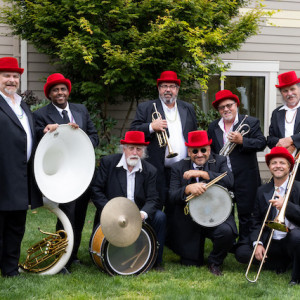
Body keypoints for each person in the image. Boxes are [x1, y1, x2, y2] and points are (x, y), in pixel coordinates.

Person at [34, 73, 99, 268]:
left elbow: (93, 137)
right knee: (66, 218)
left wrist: (80, 136)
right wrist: (45, 131)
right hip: (63, 174)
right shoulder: (40, 115)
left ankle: (73, 255)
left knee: (79, 216)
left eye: (63, 89)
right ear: (49, 94)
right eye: (55, 90)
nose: (60, 93)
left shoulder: (80, 110)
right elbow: (37, 139)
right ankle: (61, 258)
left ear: (68, 92)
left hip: (81, 172)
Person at [91, 131, 166, 270]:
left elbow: (153, 198)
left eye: (139, 149)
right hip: (112, 213)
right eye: (131, 148)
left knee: (160, 217)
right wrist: (110, 210)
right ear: (124, 148)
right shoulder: (109, 163)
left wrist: (143, 214)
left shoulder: (150, 170)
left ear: (143, 151)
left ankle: (156, 260)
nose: (135, 152)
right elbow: (96, 190)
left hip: (138, 214)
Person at [168, 130, 237, 276]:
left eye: (203, 150)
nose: (199, 154)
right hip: (190, 220)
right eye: (195, 151)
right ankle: (192, 252)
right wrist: (187, 189)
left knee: (227, 232)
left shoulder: (220, 161)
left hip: (216, 214)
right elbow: (172, 196)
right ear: (189, 151)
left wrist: (202, 174)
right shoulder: (178, 167)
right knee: (191, 262)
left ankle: (215, 261)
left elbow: (230, 181)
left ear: (209, 149)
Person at [0, 57, 43, 277]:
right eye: (6, 75)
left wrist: (43, 131)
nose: (11, 80)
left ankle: (9, 269)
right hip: (2, 175)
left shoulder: (22, 105)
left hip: (20, 176)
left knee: (16, 227)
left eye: (15, 76)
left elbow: (27, 133)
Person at [130, 71, 197, 206]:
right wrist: (150, 126)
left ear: (177, 90)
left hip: (182, 170)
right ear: (159, 89)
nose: (168, 89)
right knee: (156, 207)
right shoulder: (146, 107)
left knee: (179, 208)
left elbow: (193, 134)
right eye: (164, 86)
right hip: (156, 168)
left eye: (172, 86)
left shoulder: (187, 108)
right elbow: (133, 131)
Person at [207, 89, 266, 245]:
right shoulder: (213, 127)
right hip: (223, 177)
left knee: (246, 213)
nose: (226, 109)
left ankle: (244, 245)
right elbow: (212, 153)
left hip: (246, 177)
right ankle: (228, 242)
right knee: (225, 211)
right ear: (218, 110)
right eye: (222, 107)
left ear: (236, 105)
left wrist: (243, 141)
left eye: (229, 105)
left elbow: (261, 143)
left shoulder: (250, 122)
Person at [235, 147, 300, 286]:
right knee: (242, 253)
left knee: (297, 237)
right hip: (272, 241)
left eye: (282, 163)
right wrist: (257, 243)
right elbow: (256, 220)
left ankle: (292, 271)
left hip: (292, 240)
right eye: (274, 163)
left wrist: (286, 206)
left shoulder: (298, 188)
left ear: (289, 166)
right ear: (269, 167)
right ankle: (282, 263)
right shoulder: (262, 190)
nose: (278, 166)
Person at [267, 71, 300, 179]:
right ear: (281, 93)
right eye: (285, 91)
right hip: (283, 167)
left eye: (292, 89)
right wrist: (282, 147)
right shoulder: (277, 113)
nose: (289, 93)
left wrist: (292, 141)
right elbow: (270, 139)